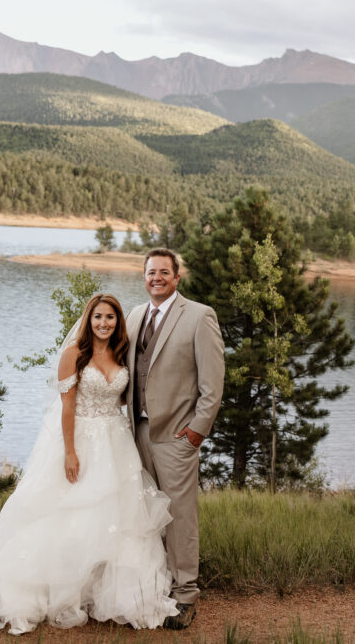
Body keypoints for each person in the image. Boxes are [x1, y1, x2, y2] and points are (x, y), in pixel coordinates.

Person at [0, 293, 177, 635]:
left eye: (110, 317)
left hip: (117, 444)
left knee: (117, 519)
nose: (104, 323)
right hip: (82, 441)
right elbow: (67, 408)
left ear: (117, 322)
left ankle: (108, 593)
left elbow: (126, 398)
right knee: (70, 515)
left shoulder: (122, 354)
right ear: (88, 320)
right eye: (98, 317)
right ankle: (60, 591)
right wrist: (69, 452)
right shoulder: (73, 356)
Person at [127, 248, 225, 630]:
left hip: (176, 438)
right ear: (144, 276)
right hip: (135, 432)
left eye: (164, 272)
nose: (157, 278)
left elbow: (212, 384)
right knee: (144, 515)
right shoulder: (135, 316)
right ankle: (154, 587)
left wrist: (196, 431)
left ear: (177, 277)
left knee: (180, 517)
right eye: (151, 272)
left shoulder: (200, 316)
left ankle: (185, 595)